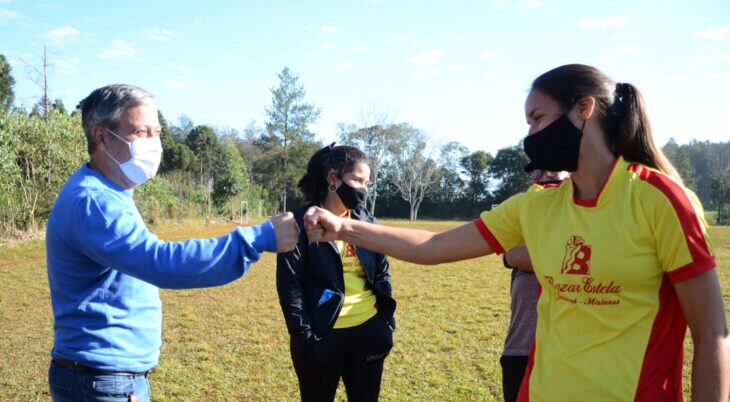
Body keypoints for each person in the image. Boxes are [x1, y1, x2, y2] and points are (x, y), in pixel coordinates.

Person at [303, 64, 730, 401]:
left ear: (584, 109)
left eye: (538, 118)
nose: (530, 135)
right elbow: (434, 245)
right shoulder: (537, 205)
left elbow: (711, 332)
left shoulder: (660, 200)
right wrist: (344, 227)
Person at [46, 84, 300, 402]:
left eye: (157, 131)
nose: (154, 143)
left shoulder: (109, 192)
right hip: (102, 382)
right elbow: (161, 262)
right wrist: (259, 238)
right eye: (141, 132)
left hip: (104, 378)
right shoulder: (94, 200)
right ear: (101, 136)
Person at [277, 144, 396, 402]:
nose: (363, 189)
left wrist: (384, 324)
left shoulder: (366, 221)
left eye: (367, 182)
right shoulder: (301, 223)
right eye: (357, 180)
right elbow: (290, 287)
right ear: (333, 178)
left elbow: (382, 272)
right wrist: (306, 338)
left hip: (369, 333)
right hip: (321, 337)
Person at [500, 170, 568, 402]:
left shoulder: (581, 212)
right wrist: (512, 257)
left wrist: (517, 256)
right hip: (520, 348)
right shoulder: (527, 205)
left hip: (564, 353)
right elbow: (512, 253)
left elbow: (524, 256)